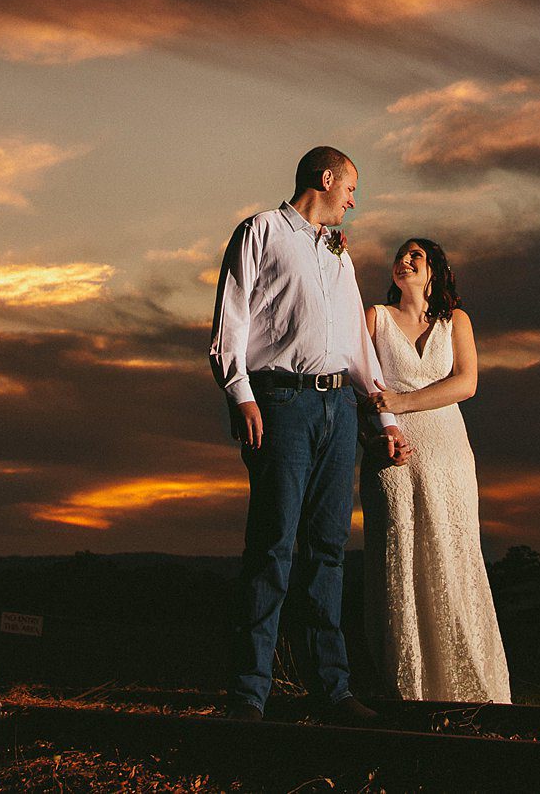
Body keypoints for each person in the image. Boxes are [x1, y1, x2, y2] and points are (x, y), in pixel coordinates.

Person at [207, 144, 412, 722]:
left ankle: (333, 689)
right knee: (273, 544)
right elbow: (232, 320)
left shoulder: (339, 255)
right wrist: (242, 395)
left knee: (327, 550)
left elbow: (356, 343)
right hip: (282, 404)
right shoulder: (261, 231)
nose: (355, 198)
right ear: (326, 178)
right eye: (351, 186)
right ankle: (250, 692)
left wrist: (383, 417)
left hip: (339, 407)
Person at [359, 236, 512, 702]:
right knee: (399, 557)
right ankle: (402, 690)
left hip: (449, 450)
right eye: (401, 255)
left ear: (434, 272)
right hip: (394, 452)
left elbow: (466, 383)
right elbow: (355, 386)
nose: (404, 260)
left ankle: (468, 690)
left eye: (416, 256)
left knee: (453, 551)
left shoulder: (456, 322)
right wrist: (375, 434)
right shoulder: (374, 318)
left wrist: (402, 401)